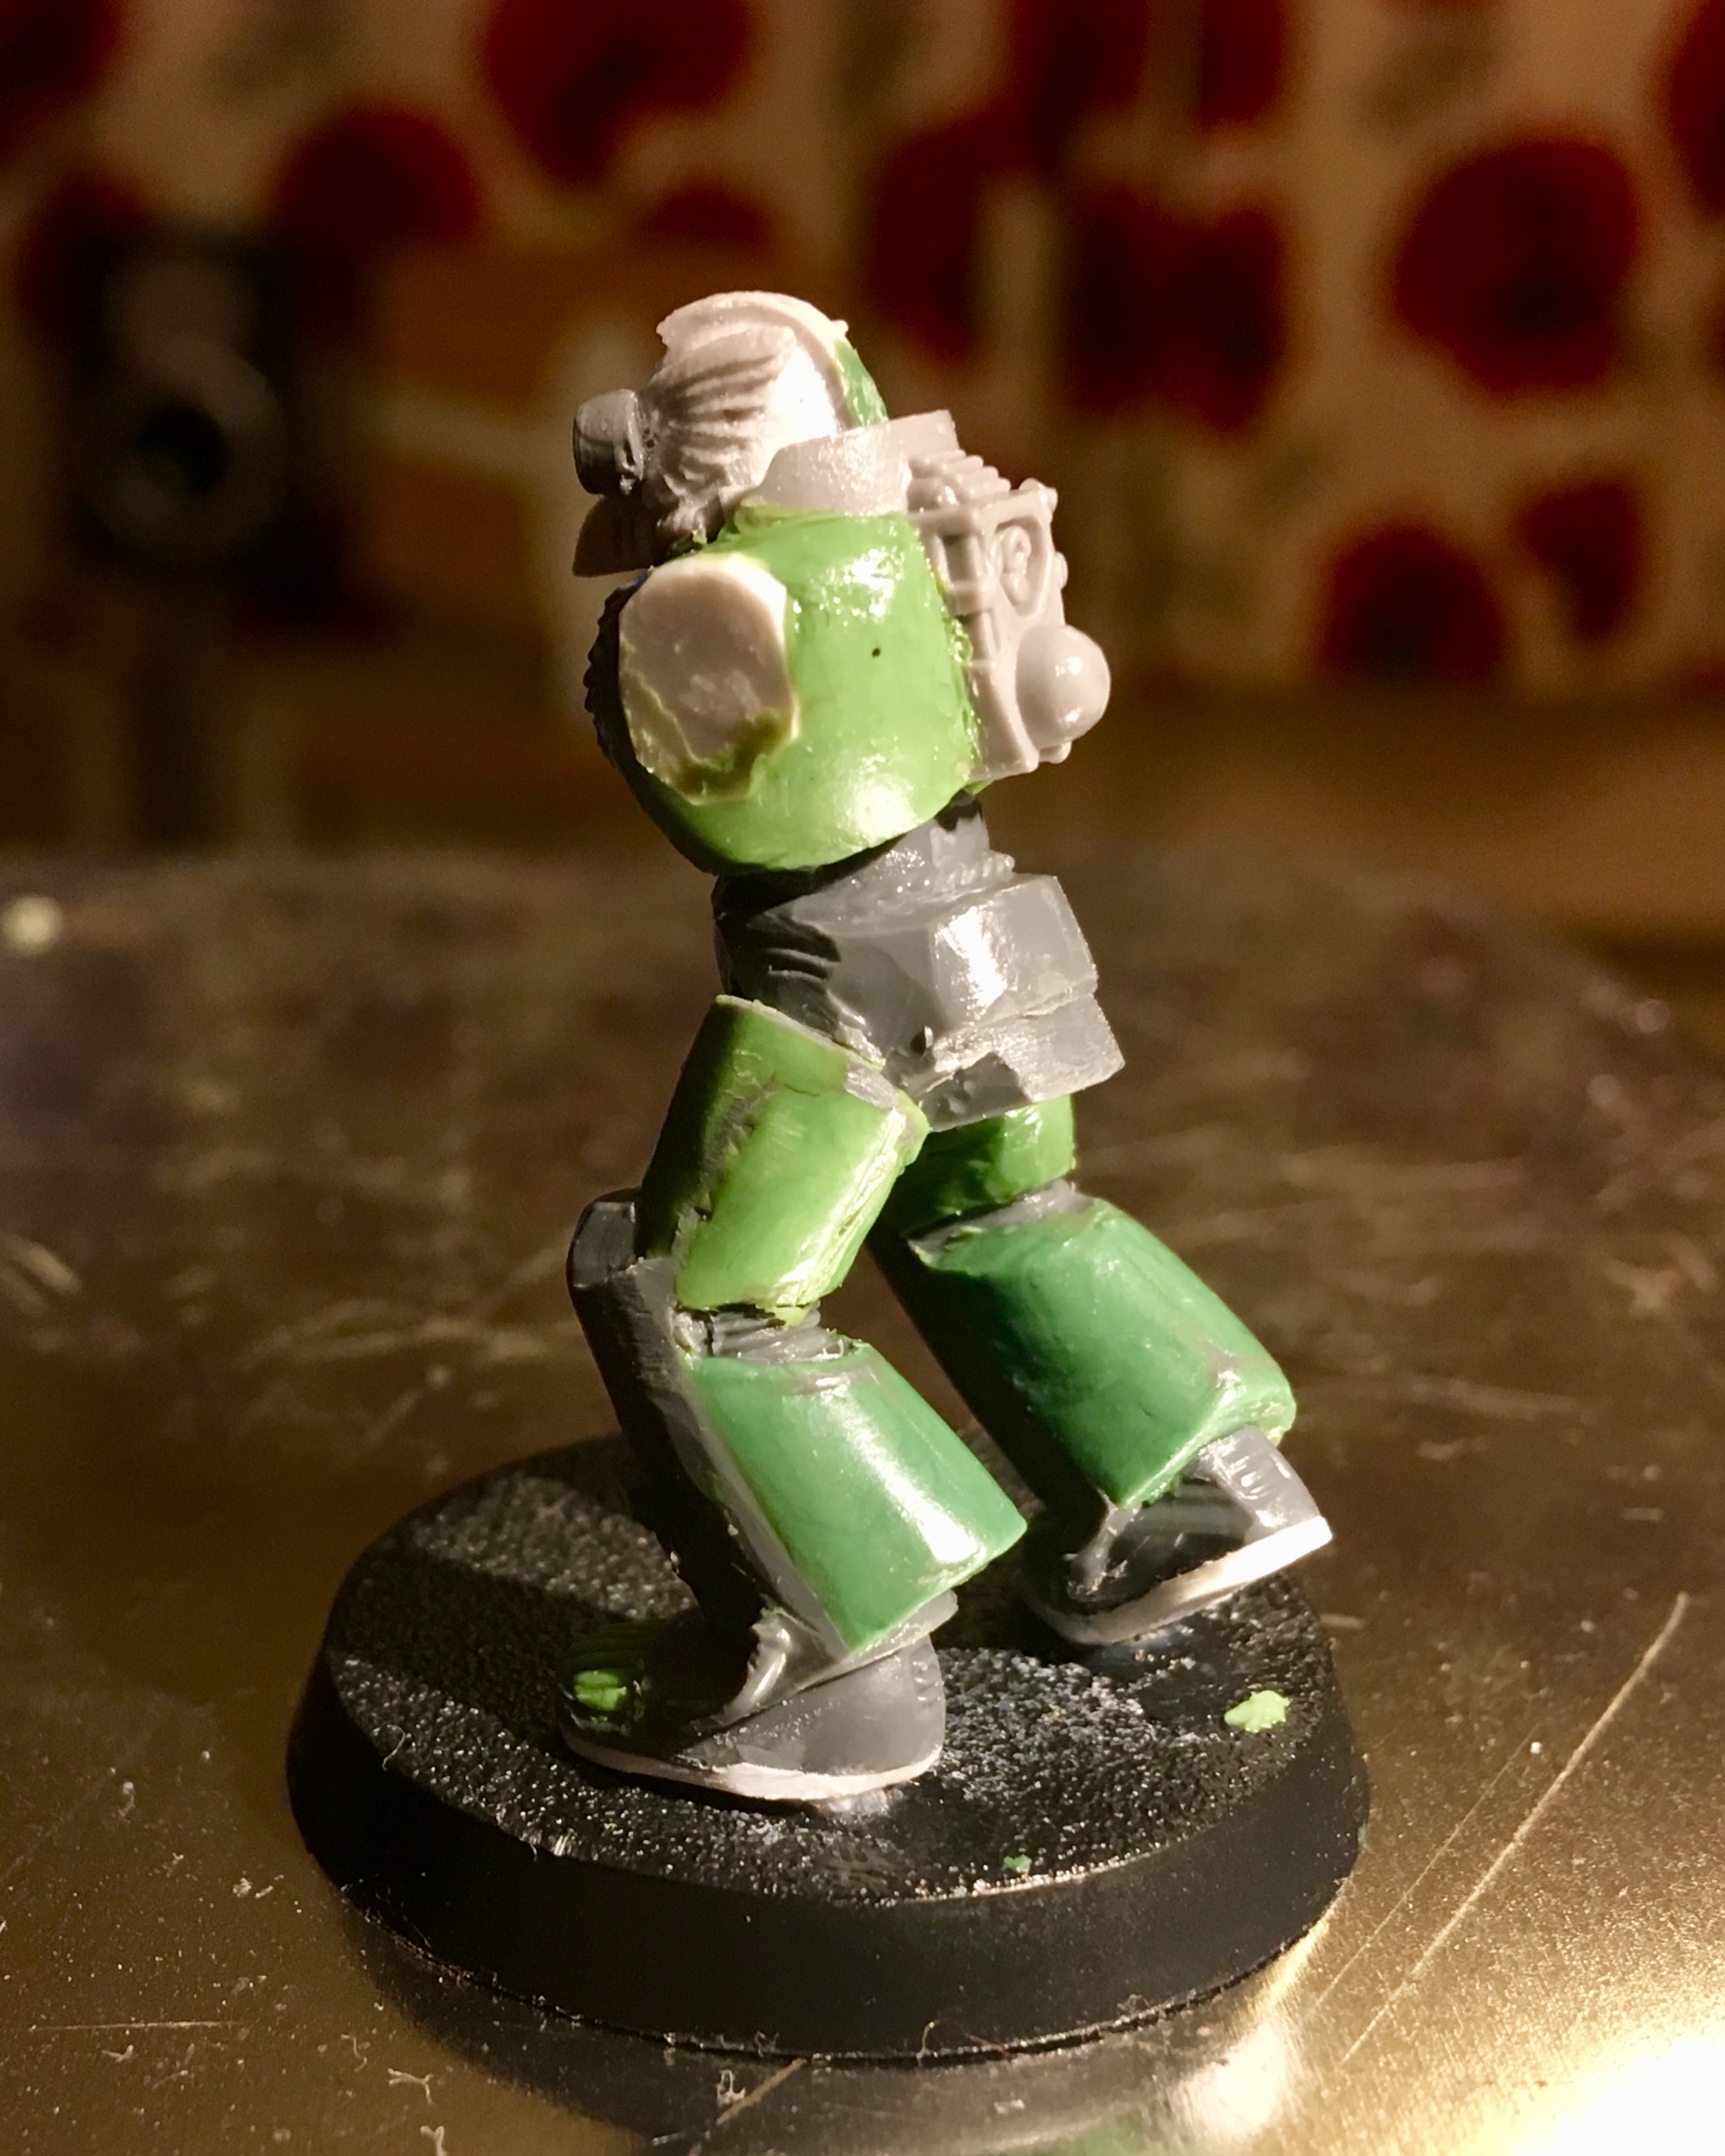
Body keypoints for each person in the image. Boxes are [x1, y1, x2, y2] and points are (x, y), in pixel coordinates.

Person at [559, 292, 1330, 1805]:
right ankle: (1193, 1493)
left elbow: (732, 808)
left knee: (696, 1302)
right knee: (1001, 1213)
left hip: (842, 989)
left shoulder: (721, 597)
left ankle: (833, 1673)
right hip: (997, 936)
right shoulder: (920, 530)